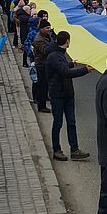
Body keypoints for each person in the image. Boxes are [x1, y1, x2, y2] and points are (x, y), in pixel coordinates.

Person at [45, 31, 94, 161]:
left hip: (67, 94)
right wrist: (85, 70)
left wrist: (71, 64)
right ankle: (57, 150)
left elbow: (62, 67)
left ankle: (75, 150)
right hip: (57, 95)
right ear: (67, 41)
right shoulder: (54, 56)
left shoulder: (59, 54)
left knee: (71, 122)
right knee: (58, 123)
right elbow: (64, 72)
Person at [33, 19, 56, 113]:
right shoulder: (38, 39)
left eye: (49, 27)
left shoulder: (47, 36)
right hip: (41, 64)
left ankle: (45, 98)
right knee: (42, 85)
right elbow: (45, 51)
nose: (49, 29)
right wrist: (55, 46)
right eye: (47, 28)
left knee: (46, 84)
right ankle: (41, 106)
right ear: (41, 29)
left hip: (47, 63)